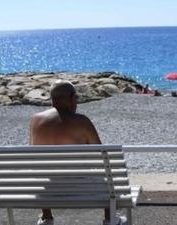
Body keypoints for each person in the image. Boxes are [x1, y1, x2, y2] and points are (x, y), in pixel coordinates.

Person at [30, 80, 125, 225]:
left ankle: (46, 218)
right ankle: (110, 219)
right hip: (81, 186)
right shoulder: (81, 121)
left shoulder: (35, 121)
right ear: (72, 97)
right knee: (107, 182)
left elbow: (33, 154)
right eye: (76, 99)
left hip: (48, 189)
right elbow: (102, 154)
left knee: (46, 175)